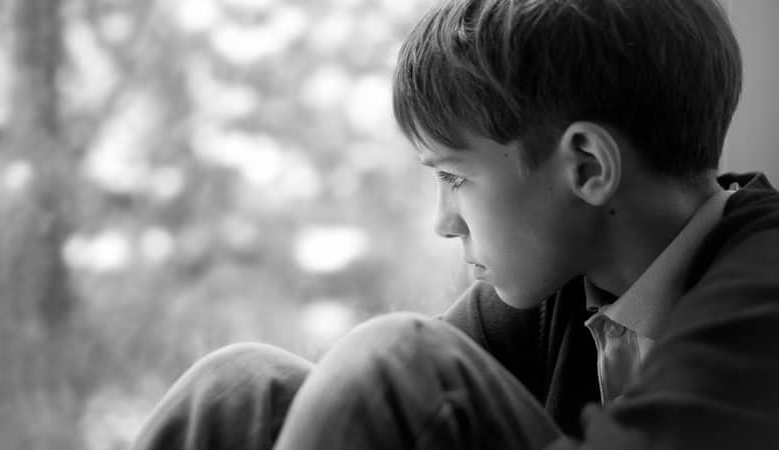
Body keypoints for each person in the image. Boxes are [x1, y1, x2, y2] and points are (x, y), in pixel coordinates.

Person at [132, 0, 779, 449]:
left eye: (455, 179)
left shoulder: (762, 284)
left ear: (586, 166)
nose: (445, 223)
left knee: (397, 362)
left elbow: (393, 390)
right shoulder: (566, 286)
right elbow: (355, 414)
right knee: (243, 390)